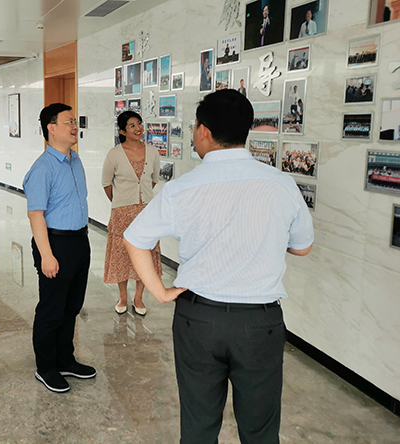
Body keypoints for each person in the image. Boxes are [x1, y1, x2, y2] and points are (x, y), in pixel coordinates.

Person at [123, 89, 314, 443]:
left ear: (205, 131)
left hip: (199, 319)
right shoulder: (282, 185)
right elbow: (302, 247)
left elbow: (134, 239)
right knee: (260, 431)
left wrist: (160, 293)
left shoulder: (182, 188)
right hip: (260, 323)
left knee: (198, 426)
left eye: (194, 126)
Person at [23, 103, 96, 393]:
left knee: (72, 306)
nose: (75, 126)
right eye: (69, 122)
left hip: (79, 240)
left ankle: (65, 359)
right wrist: (47, 255)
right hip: (55, 243)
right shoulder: (43, 168)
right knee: (52, 309)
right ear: (51, 128)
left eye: (75, 121)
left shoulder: (75, 160)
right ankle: (46, 367)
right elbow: (35, 215)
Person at [102, 111, 161, 316]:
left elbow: (154, 179)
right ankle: (122, 297)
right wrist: (121, 202)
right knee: (122, 255)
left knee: (145, 254)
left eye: (139, 124)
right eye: (132, 125)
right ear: (122, 131)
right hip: (122, 213)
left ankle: (138, 297)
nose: (138, 129)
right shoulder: (114, 154)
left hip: (145, 212)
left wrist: (141, 198)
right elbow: (106, 183)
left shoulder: (152, 152)